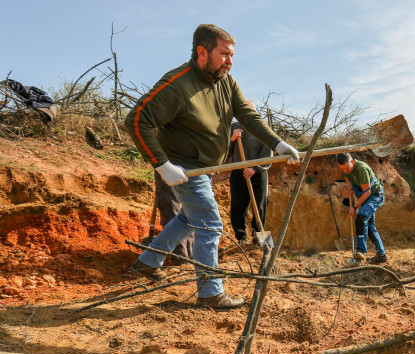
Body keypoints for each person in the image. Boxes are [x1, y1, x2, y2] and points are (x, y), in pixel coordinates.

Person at [124, 24, 300, 311]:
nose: (230, 61)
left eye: (232, 55)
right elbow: (136, 121)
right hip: (182, 166)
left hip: (201, 166)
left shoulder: (226, 81)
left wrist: (278, 143)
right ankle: (210, 292)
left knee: (191, 219)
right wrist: (162, 165)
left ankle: (148, 262)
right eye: (224, 54)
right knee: (210, 223)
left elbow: (248, 115)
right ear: (202, 52)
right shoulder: (178, 84)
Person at [227, 100, 271, 245]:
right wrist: (231, 139)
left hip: (258, 172)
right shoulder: (233, 127)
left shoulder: (262, 127)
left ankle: (259, 238)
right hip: (239, 172)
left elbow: (268, 150)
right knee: (238, 206)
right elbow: (221, 150)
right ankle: (241, 238)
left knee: (260, 205)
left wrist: (255, 168)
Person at [337, 153, 386, 265]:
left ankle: (360, 250)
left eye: (347, 168)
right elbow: (348, 180)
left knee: (361, 217)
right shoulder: (344, 169)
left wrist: (354, 207)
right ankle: (381, 255)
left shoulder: (361, 168)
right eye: (343, 169)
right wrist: (350, 188)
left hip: (375, 195)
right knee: (369, 227)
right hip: (365, 196)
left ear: (352, 162)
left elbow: (367, 192)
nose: (346, 171)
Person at [153, 171, 194, 264]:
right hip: (178, 166)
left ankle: (184, 260)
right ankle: (188, 259)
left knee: (176, 212)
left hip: (171, 167)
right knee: (187, 212)